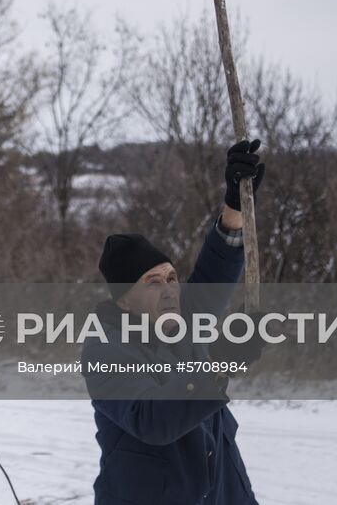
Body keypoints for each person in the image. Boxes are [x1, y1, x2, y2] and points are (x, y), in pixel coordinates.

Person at [81, 140, 266, 505]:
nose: (169, 290)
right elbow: (152, 419)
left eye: (171, 277)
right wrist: (218, 362)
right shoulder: (103, 350)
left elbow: (215, 272)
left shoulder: (180, 317)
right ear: (123, 299)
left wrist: (234, 203)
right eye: (152, 282)